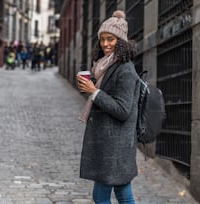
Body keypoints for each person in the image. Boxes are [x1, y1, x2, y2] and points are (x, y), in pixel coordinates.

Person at [76, 10, 140, 204]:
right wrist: (89, 88)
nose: (105, 44)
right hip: (111, 143)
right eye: (102, 39)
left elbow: (122, 110)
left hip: (116, 144)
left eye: (110, 39)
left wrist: (94, 91)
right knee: (123, 193)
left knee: (101, 195)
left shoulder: (125, 69)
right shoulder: (105, 65)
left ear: (120, 41)